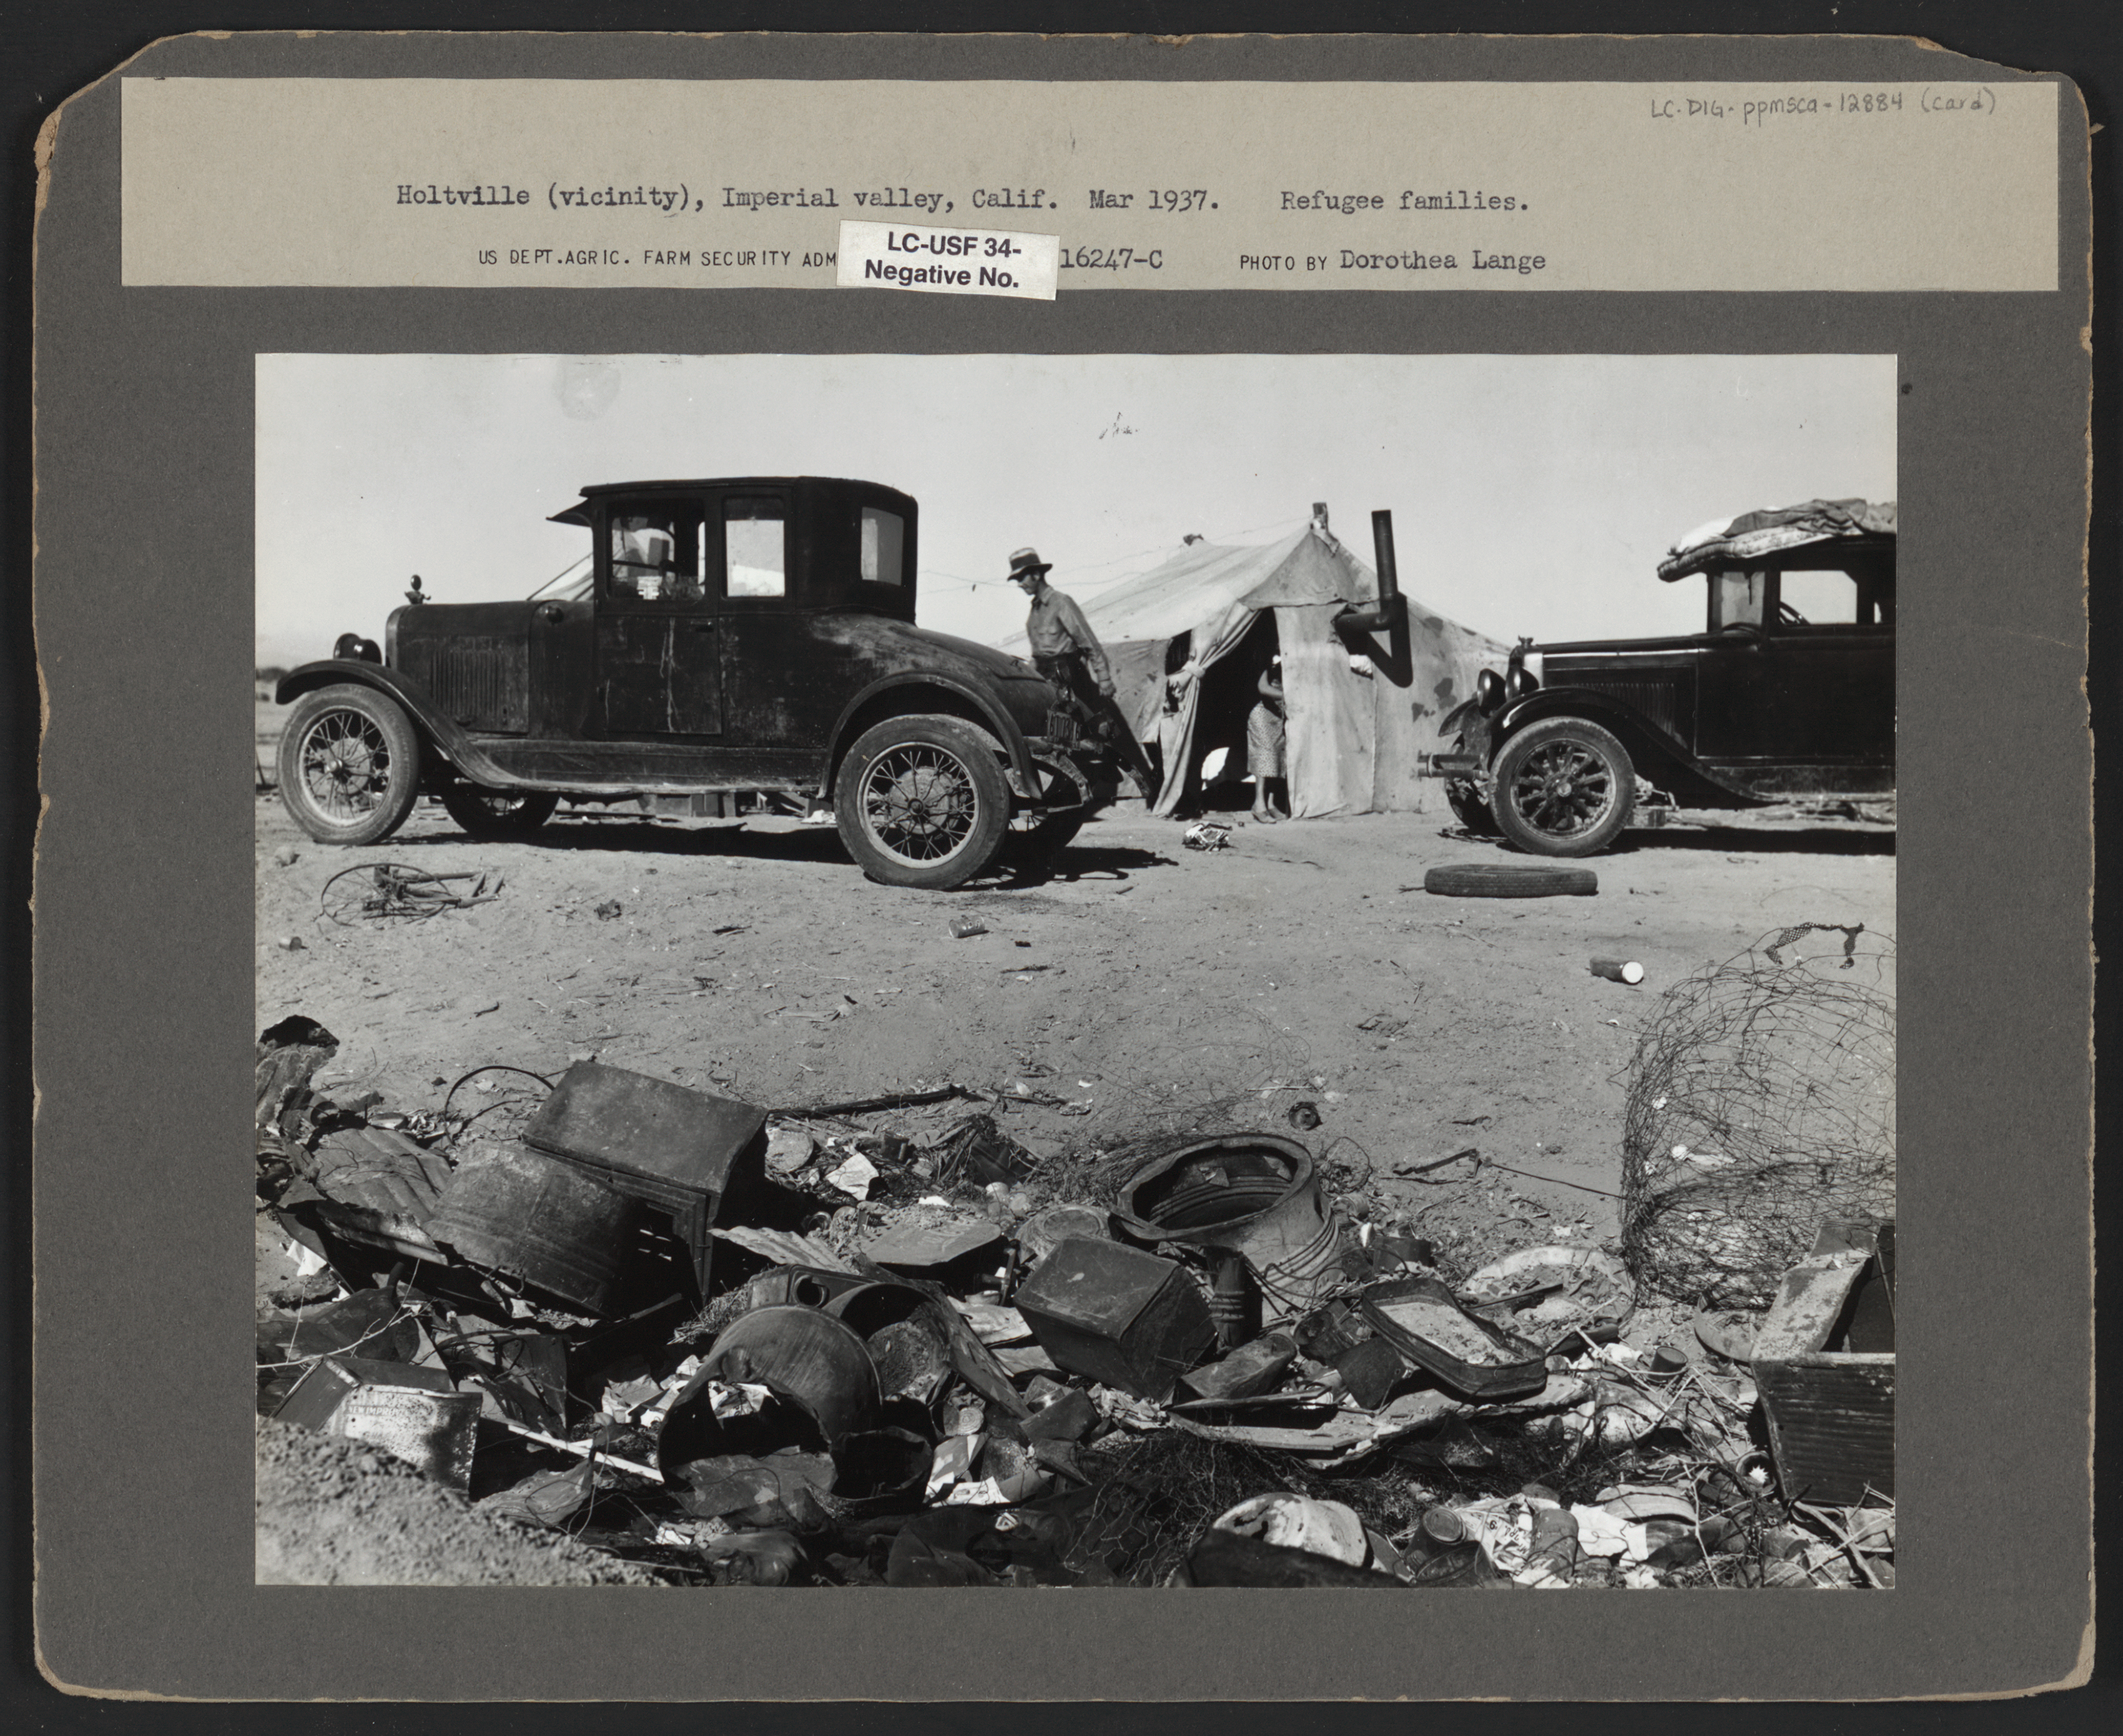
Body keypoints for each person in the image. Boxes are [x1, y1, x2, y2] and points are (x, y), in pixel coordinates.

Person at [1008, 547, 1156, 794]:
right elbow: (1037, 655)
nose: (1020, 584)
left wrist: (1104, 677)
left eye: (1022, 578)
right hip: (1045, 677)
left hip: (1069, 675)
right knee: (1053, 738)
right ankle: (1068, 791)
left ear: (1035, 575)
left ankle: (1130, 783)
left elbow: (1088, 642)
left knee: (1092, 733)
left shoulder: (1060, 603)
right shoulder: (1035, 611)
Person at [1248, 654, 1291, 823]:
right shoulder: (1261, 659)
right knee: (1265, 754)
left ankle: (1271, 804)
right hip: (1261, 709)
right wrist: (1287, 695)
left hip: (1276, 709)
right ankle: (1259, 805)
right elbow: (1263, 687)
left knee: (1277, 756)